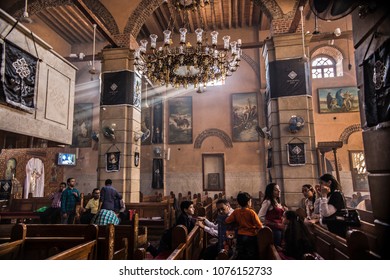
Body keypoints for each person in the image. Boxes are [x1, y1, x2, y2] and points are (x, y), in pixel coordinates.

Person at [225, 192, 263, 260]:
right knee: (251, 255)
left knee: (241, 254)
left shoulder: (236, 211)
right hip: (251, 236)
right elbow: (259, 225)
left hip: (240, 235)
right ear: (248, 202)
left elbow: (227, 221)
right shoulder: (251, 212)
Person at [315, 173, 347, 238]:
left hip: (335, 230)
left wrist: (323, 196)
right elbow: (316, 211)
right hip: (327, 229)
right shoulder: (328, 194)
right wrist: (320, 195)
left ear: (329, 182)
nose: (320, 186)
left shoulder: (336, 195)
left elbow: (326, 213)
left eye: (321, 183)